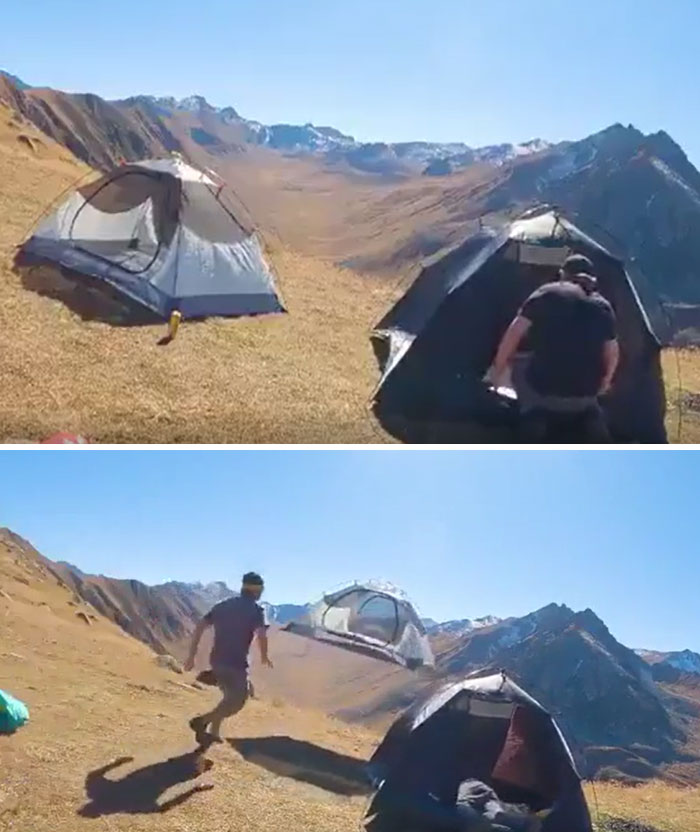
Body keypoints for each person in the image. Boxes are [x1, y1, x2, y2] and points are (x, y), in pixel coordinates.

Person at [485, 254, 620, 442]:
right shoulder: (603, 306)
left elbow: (514, 333)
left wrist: (498, 370)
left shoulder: (546, 294)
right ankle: (589, 418)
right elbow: (612, 351)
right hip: (585, 394)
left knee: (520, 362)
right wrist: (605, 382)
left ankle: (531, 414)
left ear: (562, 274)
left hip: (543, 390)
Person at [184, 571, 272, 745]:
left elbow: (200, 625)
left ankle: (213, 733)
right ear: (256, 590)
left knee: (228, 697)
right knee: (238, 700)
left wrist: (192, 655)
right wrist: (264, 655)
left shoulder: (222, 605)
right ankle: (202, 721)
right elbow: (261, 634)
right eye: (261, 590)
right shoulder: (256, 611)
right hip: (236, 663)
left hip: (217, 660)